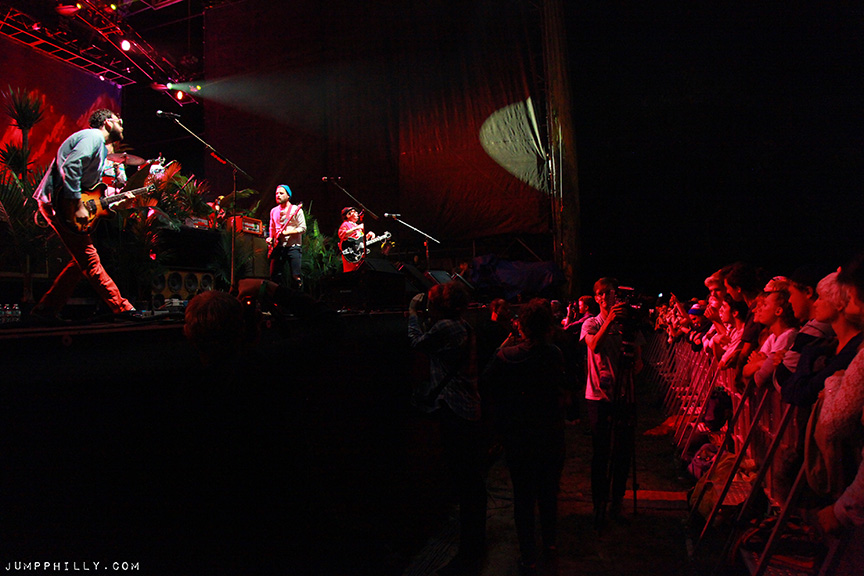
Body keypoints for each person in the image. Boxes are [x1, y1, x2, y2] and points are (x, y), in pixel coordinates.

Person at [483, 298, 566, 575]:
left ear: (522, 326)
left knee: (523, 496)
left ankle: (528, 555)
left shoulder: (506, 357)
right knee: (548, 491)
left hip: (518, 435)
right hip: (549, 433)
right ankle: (550, 544)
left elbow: (486, 382)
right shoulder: (554, 354)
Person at [408, 282, 486, 576]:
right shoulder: (462, 325)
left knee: (465, 483)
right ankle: (474, 545)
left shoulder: (445, 328)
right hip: (469, 409)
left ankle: (468, 554)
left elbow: (417, 342)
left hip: (455, 411)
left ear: (440, 305)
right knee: (472, 483)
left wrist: (412, 314)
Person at [30, 108, 137, 320]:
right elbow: (71, 166)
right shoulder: (93, 137)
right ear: (107, 123)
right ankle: (123, 308)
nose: (122, 124)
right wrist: (77, 204)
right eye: (118, 121)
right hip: (60, 203)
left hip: (63, 203)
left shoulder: (100, 147)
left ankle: (45, 310)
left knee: (80, 262)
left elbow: (90, 190)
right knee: (89, 259)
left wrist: (112, 201)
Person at [581, 277, 645, 529]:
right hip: (599, 397)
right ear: (597, 297)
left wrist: (634, 364)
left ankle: (617, 502)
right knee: (601, 452)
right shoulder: (591, 323)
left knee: (622, 452)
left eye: (613, 292)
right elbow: (594, 346)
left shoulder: (628, 326)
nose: (610, 297)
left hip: (625, 395)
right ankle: (599, 502)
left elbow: (639, 362)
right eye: (604, 293)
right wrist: (609, 321)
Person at [266, 184, 306, 289]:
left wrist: (287, 232)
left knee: (295, 276)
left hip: (293, 246)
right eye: (276, 193)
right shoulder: (273, 211)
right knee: (274, 276)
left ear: (288, 196)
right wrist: (271, 238)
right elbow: (272, 227)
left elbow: (303, 228)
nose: (278, 195)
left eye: (281, 193)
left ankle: (298, 296)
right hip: (278, 247)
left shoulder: (296, 210)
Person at [338, 206, 375, 273]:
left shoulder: (357, 225)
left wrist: (368, 235)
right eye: (354, 212)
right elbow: (342, 234)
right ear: (348, 215)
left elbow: (360, 241)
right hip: (351, 255)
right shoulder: (346, 224)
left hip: (359, 255)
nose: (357, 213)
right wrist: (357, 228)